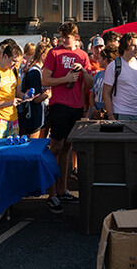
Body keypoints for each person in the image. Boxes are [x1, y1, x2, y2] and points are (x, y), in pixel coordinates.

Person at [41, 21, 93, 213]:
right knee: (55, 147)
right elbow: (45, 79)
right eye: (61, 36)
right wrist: (65, 79)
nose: (63, 40)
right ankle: (52, 193)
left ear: (75, 37)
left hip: (76, 106)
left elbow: (89, 83)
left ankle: (63, 189)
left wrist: (84, 70)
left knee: (67, 147)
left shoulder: (82, 55)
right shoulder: (53, 53)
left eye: (67, 37)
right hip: (59, 105)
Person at [103, 31, 137, 122]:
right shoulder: (114, 65)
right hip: (120, 113)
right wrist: (111, 116)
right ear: (125, 46)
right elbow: (106, 92)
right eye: (133, 46)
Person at [18, 41, 50, 138]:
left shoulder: (32, 68)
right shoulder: (35, 72)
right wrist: (48, 94)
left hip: (32, 114)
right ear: (43, 56)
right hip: (33, 115)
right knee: (32, 145)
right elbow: (36, 99)